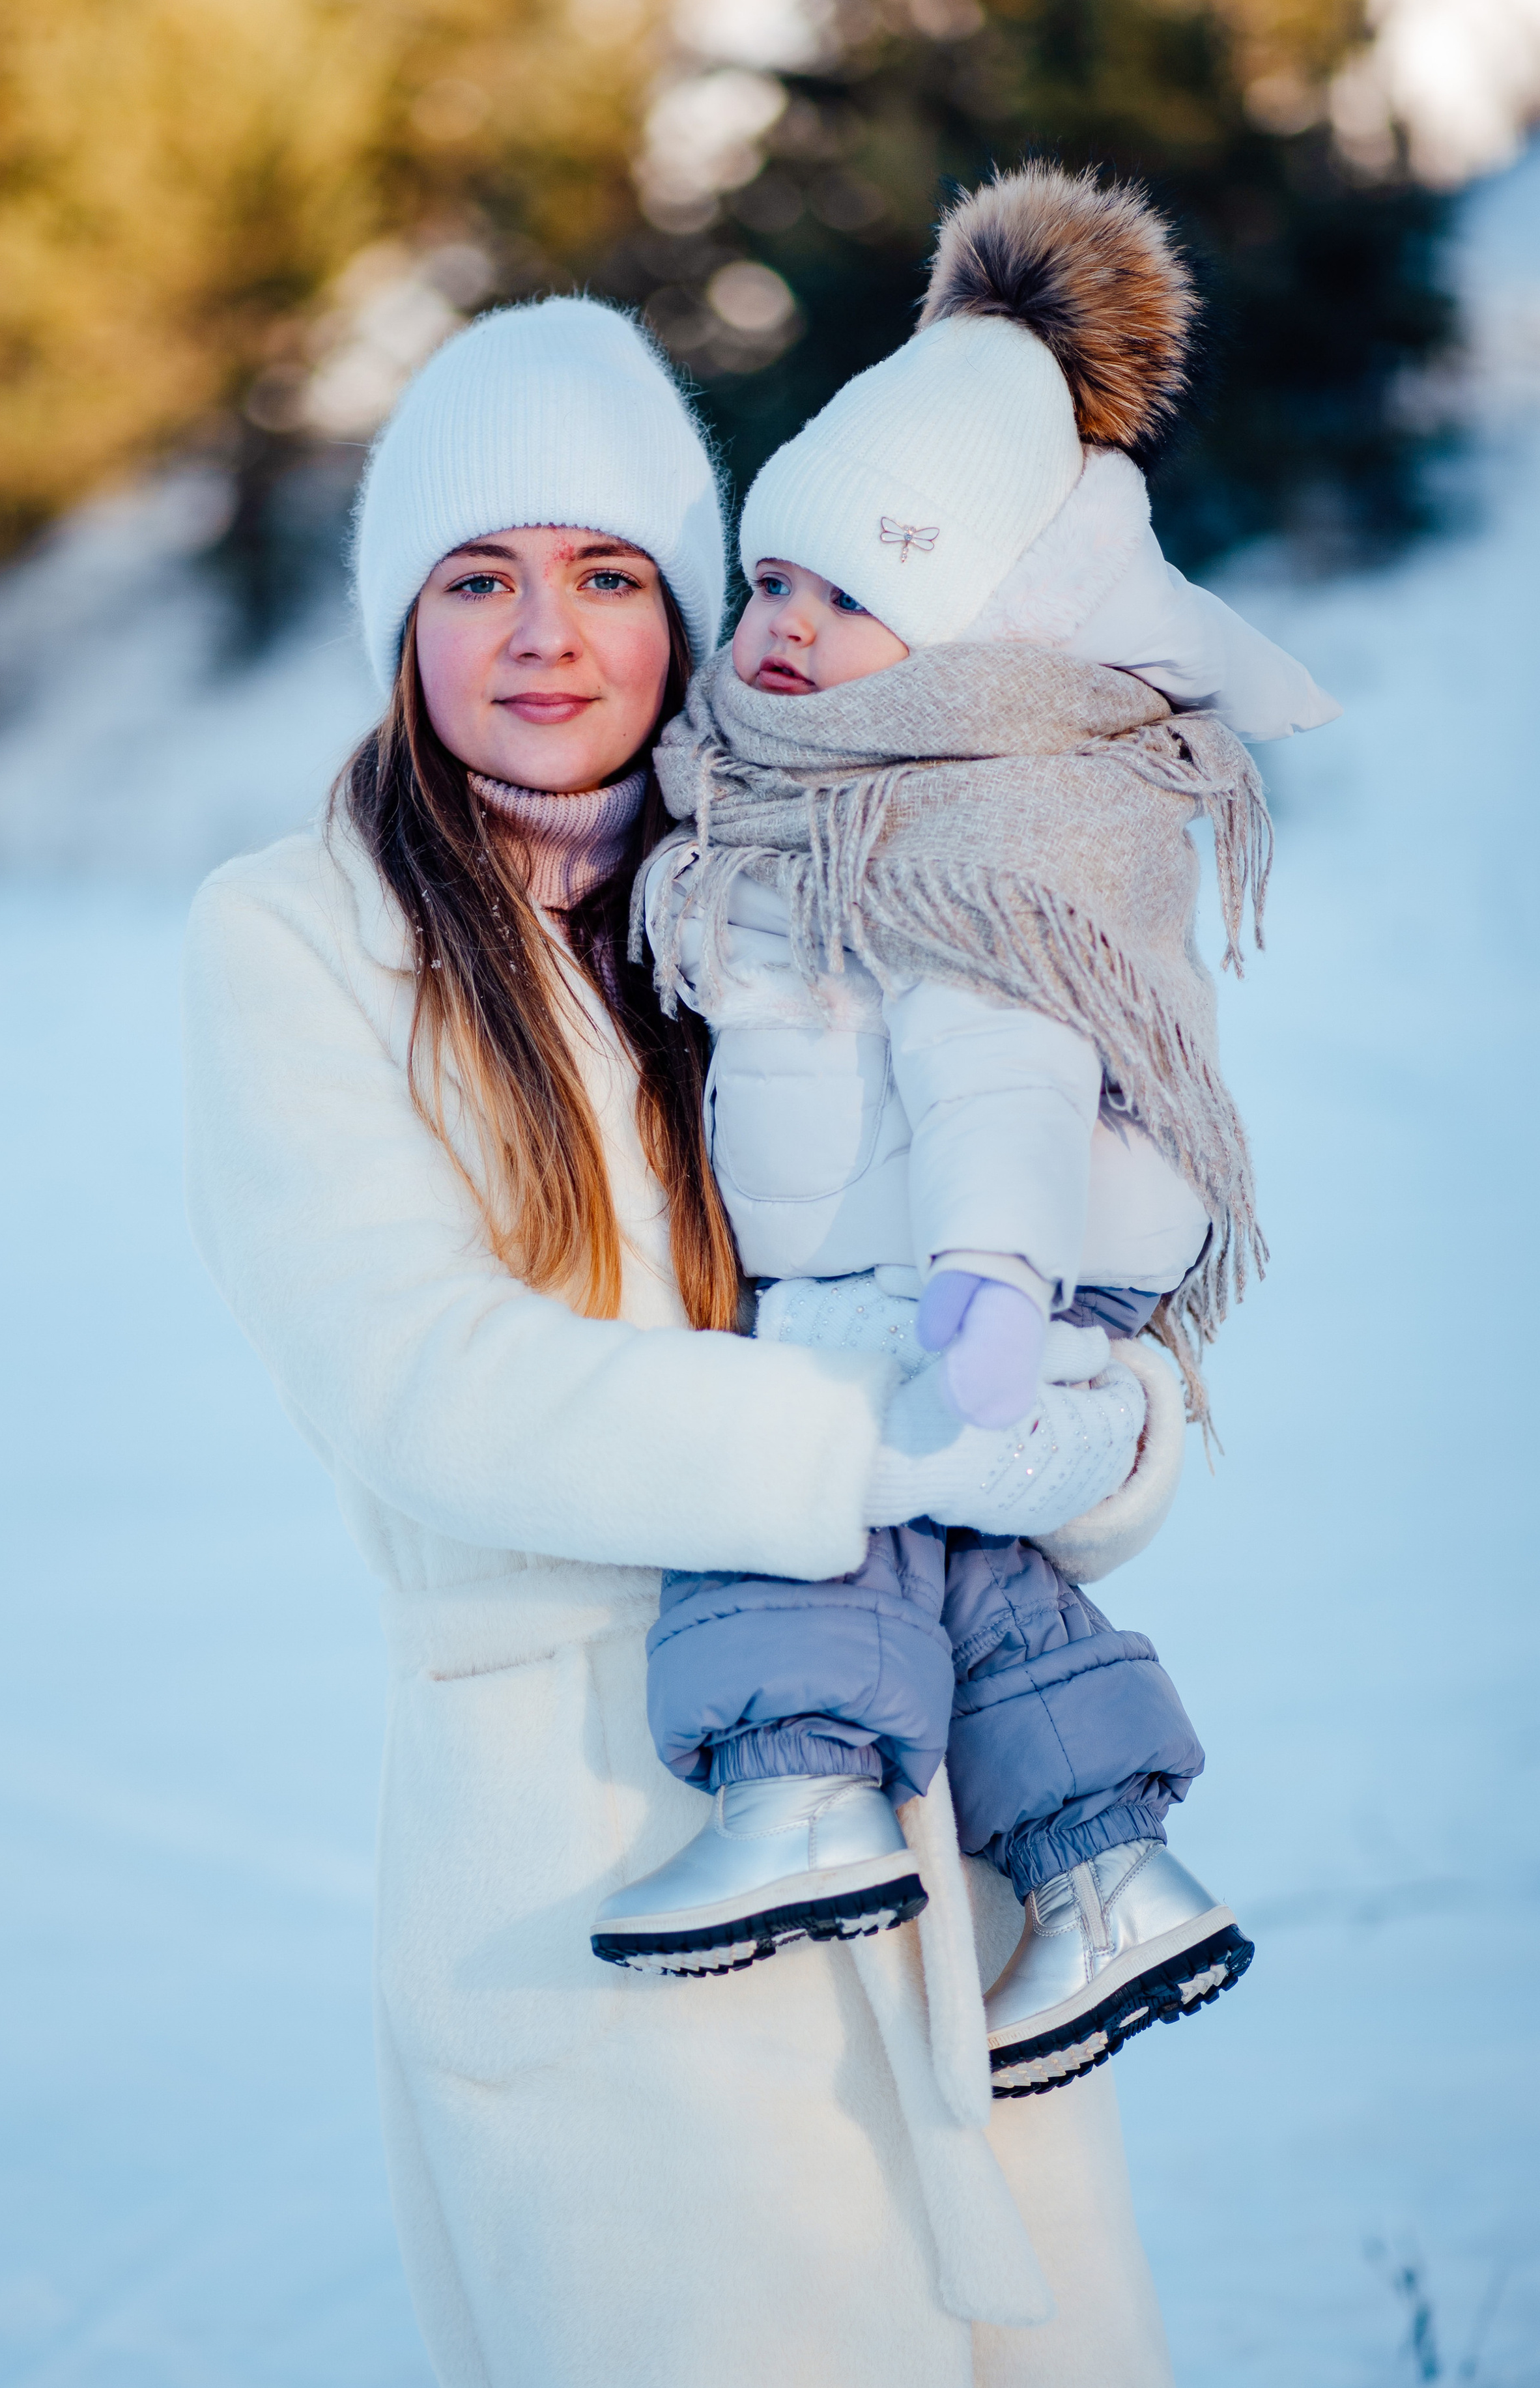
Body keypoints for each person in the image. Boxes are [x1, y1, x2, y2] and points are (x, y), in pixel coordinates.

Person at [183, 293, 1188, 2383]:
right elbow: (422, 1382)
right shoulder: (299, 939)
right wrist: (879, 1445)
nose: (547, 630)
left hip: (922, 1861)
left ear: (689, 611)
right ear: (404, 621)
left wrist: (1117, 1432)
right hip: (589, 1879)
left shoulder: (830, 879)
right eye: (481, 575)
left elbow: (1064, 1232)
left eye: (609, 573)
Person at [603, 168, 1336, 2100]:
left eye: (853, 597)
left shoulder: (941, 838)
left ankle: (799, 1795)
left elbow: (1003, 1068)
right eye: (769, 579)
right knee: (994, 1595)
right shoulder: (796, 799)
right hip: (899, 1270)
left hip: (920, 1286)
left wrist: (990, 1280)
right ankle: (1108, 1866)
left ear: (955, 632)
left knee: (783, 1517)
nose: (780, 627)